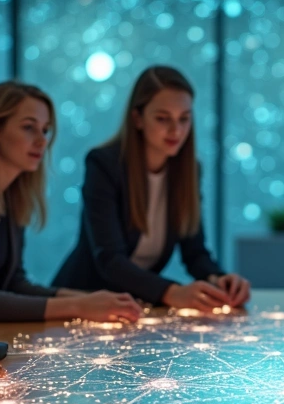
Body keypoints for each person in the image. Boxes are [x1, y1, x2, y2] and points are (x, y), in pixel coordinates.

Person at [0, 81, 143, 323]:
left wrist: (89, 299)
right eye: (28, 128)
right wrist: (80, 305)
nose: (41, 141)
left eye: (45, 130)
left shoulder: (9, 194)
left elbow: (14, 282)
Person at [53, 66, 250, 309]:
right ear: (137, 118)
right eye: (162, 118)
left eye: (184, 119)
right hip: (85, 301)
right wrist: (172, 292)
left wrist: (219, 279)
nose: (176, 130)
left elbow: (194, 252)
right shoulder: (104, 164)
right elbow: (110, 259)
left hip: (137, 307)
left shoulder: (188, 171)